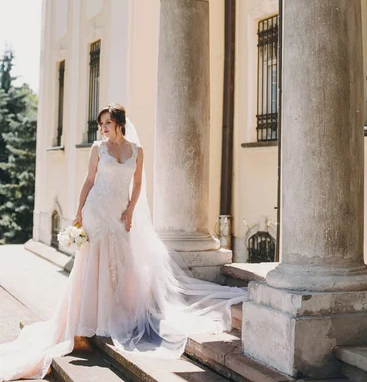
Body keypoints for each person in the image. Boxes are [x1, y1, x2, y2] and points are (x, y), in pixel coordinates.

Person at [0, 103, 247, 381]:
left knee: (121, 263)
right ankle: (90, 318)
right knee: (93, 264)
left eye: (107, 123)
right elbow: (89, 180)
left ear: (119, 123)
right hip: (96, 211)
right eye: (100, 124)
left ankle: (114, 316)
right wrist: (79, 211)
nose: (103, 128)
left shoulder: (137, 151)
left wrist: (130, 209)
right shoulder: (98, 149)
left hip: (119, 213)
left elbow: (138, 183)